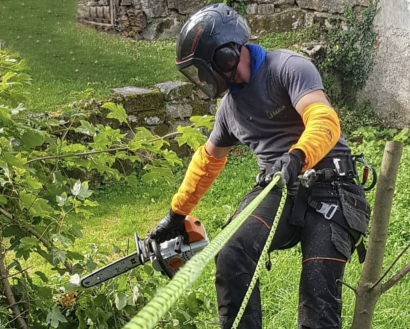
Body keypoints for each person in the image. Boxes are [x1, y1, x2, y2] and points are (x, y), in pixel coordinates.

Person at [149, 3, 371, 329]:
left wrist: (297, 156)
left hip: (333, 188)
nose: (200, 78)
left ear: (225, 56)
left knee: (317, 298)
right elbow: (208, 160)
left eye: (202, 68)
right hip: (279, 187)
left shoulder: (289, 67)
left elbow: (323, 119)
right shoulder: (228, 110)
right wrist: (177, 213)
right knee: (231, 251)